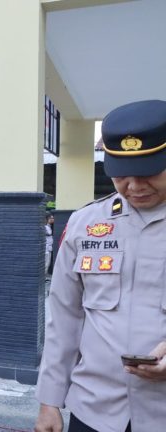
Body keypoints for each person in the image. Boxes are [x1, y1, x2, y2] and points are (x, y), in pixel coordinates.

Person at [34, 100, 166, 432]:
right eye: (121, 174)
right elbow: (64, 317)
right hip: (94, 410)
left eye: (149, 172)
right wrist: (49, 401)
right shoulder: (85, 223)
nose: (134, 186)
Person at [44, 212, 54, 278]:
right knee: (46, 263)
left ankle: (45, 275)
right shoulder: (45, 227)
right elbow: (48, 233)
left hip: (49, 248)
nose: (53, 219)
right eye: (51, 218)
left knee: (48, 263)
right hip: (46, 248)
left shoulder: (49, 226)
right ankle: (43, 276)